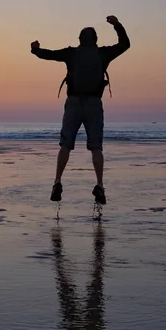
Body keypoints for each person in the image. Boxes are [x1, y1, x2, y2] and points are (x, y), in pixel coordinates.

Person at [30, 15, 130, 204]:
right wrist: (117, 25)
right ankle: (100, 185)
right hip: (94, 104)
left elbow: (50, 54)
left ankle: (57, 182)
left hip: (73, 103)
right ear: (96, 40)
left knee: (66, 146)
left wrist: (35, 50)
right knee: (96, 148)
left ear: (79, 40)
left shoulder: (71, 53)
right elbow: (125, 44)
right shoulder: (103, 53)